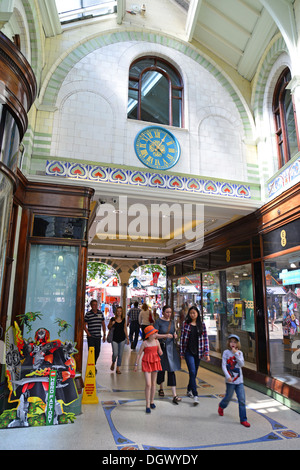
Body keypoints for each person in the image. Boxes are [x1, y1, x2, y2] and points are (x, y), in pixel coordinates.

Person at [218, 334, 250, 428]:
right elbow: (224, 365)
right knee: (228, 397)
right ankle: (221, 406)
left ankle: (243, 419)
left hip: (239, 381)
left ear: (237, 344)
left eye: (235, 342)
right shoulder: (225, 353)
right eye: (231, 341)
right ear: (228, 342)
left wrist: (236, 353)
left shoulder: (240, 353)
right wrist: (227, 376)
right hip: (230, 381)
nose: (233, 343)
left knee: (242, 400)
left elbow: (241, 364)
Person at [180, 305, 210, 405]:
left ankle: (189, 390)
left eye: (194, 313)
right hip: (188, 352)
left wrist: (207, 353)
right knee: (192, 371)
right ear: (189, 314)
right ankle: (195, 394)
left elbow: (205, 339)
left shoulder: (202, 325)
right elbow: (182, 339)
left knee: (194, 373)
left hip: (199, 352)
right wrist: (181, 352)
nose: (192, 315)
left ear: (197, 314)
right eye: (191, 313)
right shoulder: (186, 324)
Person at [154, 305, 181, 404]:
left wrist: (175, 335)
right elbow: (154, 335)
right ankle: (161, 387)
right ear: (163, 312)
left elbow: (174, 332)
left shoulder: (172, 322)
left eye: (170, 312)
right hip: (161, 348)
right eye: (167, 312)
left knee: (171, 369)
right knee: (161, 369)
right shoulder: (158, 322)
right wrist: (165, 335)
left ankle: (174, 394)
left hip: (171, 348)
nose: (169, 314)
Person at [134, 325, 163, 413]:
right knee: (148, 384)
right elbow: (139, 354)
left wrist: (161, 352)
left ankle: (152, 401)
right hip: (146, 363)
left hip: (155, 362)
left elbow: (160, 351)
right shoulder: (144, 343)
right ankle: (147, 404)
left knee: (154, 383)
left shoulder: (157, 342)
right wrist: (136, 364)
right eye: (154, 333)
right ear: (149, 335)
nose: (156, 334)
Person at [84, 299, 106, 371]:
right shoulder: (88, 314)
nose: (95, 306)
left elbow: (103, 324)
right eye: (93, 305)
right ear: (91, 306)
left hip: (98, 336)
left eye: (96, 305)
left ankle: (93, 363)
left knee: (98, 351)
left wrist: (104, 334)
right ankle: (92, 366)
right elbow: (84, 325)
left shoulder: (100, 313)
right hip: (91, 337)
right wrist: (88, 334)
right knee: (91, 352)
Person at [108, 306, 129, 374]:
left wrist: (127, 338)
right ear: (116, 312)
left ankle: (118, 368)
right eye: (118, 311)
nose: (119, 312)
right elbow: (109, 327)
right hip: (114, 339)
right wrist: (112, 324)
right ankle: (113, 362)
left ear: (122, 312)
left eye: (120, 311)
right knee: (115, 353)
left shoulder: (123, 320)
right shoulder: (113, 319)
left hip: (122, 339)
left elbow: (125, 329)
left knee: (120, 354)